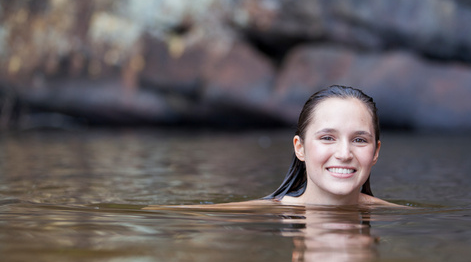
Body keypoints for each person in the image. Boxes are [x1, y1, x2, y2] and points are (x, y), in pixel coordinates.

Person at [147, 85, 399, 209]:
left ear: (375, 152)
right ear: (299, 148)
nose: (344, 154)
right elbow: (158, 212)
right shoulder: (265, 211)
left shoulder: (392, 214)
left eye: (359, 140)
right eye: (327, 138)